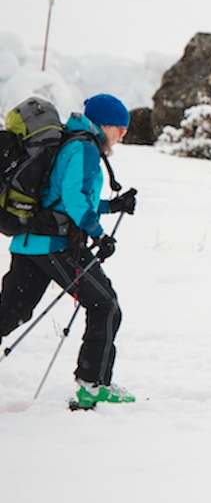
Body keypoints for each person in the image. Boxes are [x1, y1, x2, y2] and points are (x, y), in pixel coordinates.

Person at [0, 93, 139, 407]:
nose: (123, 134)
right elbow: (75, 202)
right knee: (105, 305)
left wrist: (113, 205)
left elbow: (62, 198)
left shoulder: (70, 143)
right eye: (120, 127)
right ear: (104, 124)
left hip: (30, 242)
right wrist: (99, 235)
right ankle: (93, 385)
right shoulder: (85, 148)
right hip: (56, 245)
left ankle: (93, 382)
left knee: (11, 312)